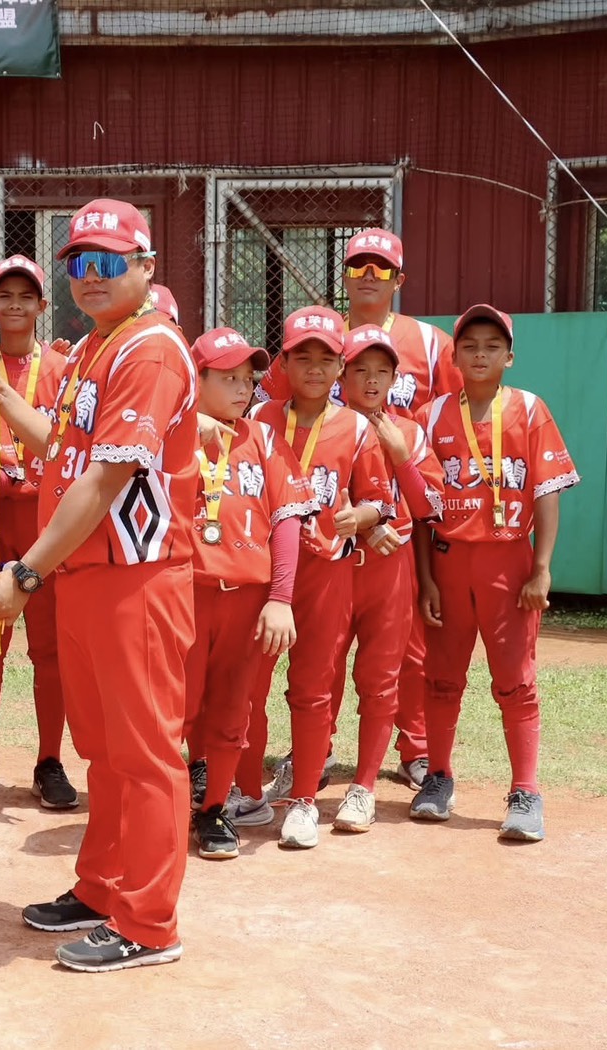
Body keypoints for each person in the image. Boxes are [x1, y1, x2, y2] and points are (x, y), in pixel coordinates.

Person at [0, 199, 198, 972]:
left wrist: (26, 570)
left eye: (107, 263)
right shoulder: (95, 349)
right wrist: (3, 402)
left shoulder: (151, 350)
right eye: (78, 263)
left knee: (144, 752)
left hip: (136, 576)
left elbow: (103, 479)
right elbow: (64, 453)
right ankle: (102, 887)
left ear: (144, 266)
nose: (90, 278)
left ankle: (149, 922)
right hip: (88, 574)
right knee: (101, 748)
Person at [258, 230, 461, 789]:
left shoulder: (428, 342)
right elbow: (270, 404)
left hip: (398, 513)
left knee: (400, 654)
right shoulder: (318, 336)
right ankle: (311, 757)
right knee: (321, 652)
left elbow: (447, 421)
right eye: (358, 266)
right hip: (326, 524)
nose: (368, 275)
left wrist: (398, 484)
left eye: (381, 267)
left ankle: (413, 749)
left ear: (399, 278)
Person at [413, 305, 578, 842]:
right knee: (441, 677)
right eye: (469, 346)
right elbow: (421, 506)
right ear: (454, 355)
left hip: (508, 563)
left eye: (491, 346)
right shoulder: (433, 416)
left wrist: (542, 568)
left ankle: (525, 790)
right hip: (447, 558)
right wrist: (427, 578)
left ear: (509, 355)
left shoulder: (529, 410)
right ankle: (438, 776)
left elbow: (546, 492)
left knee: (515, 681)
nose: (480, 354)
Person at [242, 307, 392, 850]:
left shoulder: (355, 427)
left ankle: (304, 799)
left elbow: (382, 499)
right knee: (248, 686)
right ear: (282, 363)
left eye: (325, 359)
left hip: (327, 573)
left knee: (311, 688)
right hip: (261, 572)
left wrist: (363, 517)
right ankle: (247, 792)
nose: (312, 368)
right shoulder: (258, 419)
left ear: (340, 368)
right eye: (301, 357)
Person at [182, 327, 313, 859]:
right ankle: (167, 810)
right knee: (178, 709)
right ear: (198, 380)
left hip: (248, 597)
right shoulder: (175, 436)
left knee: (233, 709)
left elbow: (286, 521)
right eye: (228, 378)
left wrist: (281, 598)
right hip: (186, 594)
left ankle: (214, 811)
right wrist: (188, 423)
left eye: (249, 378)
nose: (243, 389)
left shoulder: (262, 438)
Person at [325, 325, 445, 834]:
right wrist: (364, 523)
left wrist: (400, 456)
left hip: (388, 573)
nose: (371, 380)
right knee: (318, 674)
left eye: (382, 371)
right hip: (330, 567)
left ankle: (364, 786)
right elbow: (306, 493)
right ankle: (310, 773)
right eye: (360, 369)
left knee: (380, 680)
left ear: (396, 378)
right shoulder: (323, 424)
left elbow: (432, 508)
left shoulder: (411, 431)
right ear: (342, 374)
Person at [0, 255, 79, 811]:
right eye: (4, 295)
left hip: (47, 525)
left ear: (42, 305)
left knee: (50, 652)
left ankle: (49, 760)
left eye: (26, 295)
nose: (15, 304)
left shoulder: (63, 373)